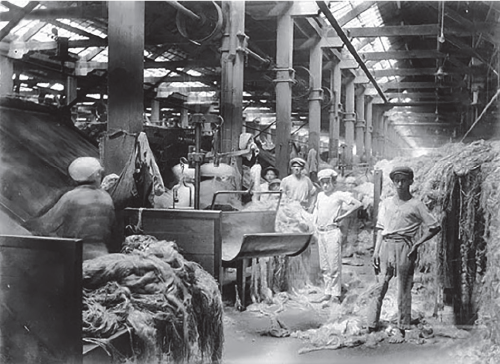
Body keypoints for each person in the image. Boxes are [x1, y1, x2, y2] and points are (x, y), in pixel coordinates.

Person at [366, 166, 441, 336]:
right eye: (396, 180)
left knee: (404, 287)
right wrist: (376, 251)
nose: (399, 184)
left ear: (410, 182)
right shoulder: (385, 203)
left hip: (405, 247)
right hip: (385, 245)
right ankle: (371, 323)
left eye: (403, 180)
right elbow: (380, 228)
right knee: (380, 285)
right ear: (392, 182)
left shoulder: (416, 205)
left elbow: (434, 227)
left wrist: (416, 244)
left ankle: (403, 324)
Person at [24, 157, 116, 261]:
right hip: (102, 256)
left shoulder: (71, 197)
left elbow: (47, 224)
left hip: (77, 255)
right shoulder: (107, 198)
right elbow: (112, 230)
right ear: (97, 174)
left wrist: (26, 226)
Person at [311, 168, 362, 304]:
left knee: (334, 265)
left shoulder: (339, 194)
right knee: (325, 266)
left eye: (328, 182)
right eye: (323, 183)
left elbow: (358, 204)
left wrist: (343, 216)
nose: (326, 186)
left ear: (333, 182)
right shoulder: (320, 196)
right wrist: (314, 225)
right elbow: (316, 210)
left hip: (333, 232)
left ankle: (336, 294)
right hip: (321, 232)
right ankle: (327, 292)